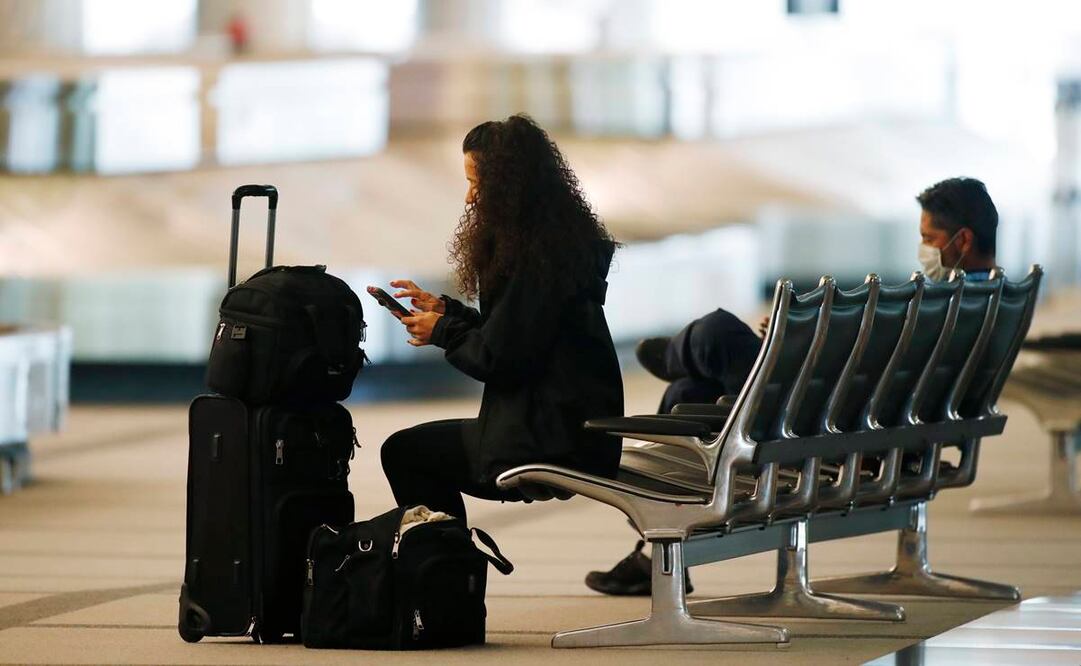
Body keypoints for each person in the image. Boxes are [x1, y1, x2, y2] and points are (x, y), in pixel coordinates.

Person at [585, 176, 1000, 596]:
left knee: (716, 332)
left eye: (930, 237)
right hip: (862, 421)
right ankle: (655, 553)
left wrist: (804, 344)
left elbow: (876, 368)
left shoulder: (944, 305)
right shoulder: (979, 304)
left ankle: (676, 355)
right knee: (687, 396)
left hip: (829, 426)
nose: (924, 247)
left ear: (962, 240)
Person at [378, 114, 624, 524]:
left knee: (404, 453)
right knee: (413, 450)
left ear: (510, 189)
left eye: (477, 183)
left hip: (546, 438)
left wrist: (442, 332)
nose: (470, 198)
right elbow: (518, 336)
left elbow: (499, 360)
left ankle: (445, 572)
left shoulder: (535, 261)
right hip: (565, 427)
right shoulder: (552, 246)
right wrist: (448, 312)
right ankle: (447, 566)